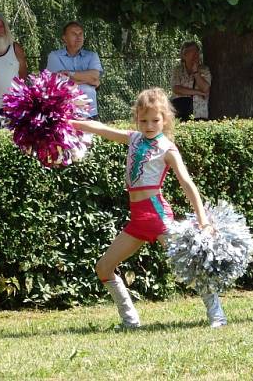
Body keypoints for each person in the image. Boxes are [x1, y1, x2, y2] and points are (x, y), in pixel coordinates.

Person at [69, 88, 227, 329]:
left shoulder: (167, 148)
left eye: (155, 120)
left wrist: (202, 219)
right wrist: (68, 122)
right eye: (143, 120)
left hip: (158, 216)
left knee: (188, 265)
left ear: (165, 119)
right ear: (136, 119)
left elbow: (187, 183)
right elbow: (101, 128)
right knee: (103, 267)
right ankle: (130, 320)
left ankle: (217, 314)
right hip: (138, 221)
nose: (149, 125)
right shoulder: (133, 138)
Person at [46, 21, 103, 120]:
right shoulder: (54, 56)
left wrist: (70, 73)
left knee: (90, 135)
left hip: (89, 112)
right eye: (74, 34)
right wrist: (89, 80)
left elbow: (94, 75)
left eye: (81, 34)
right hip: (64, 111)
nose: (78, 37)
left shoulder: (92, 56)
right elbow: (58, 83)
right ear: (64, 38)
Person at [171, 41, 211, 121]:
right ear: (184, 55)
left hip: (199, 113)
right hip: (181, 112)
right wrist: (198, 92)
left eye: (197, 52)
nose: (195, 56)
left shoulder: (204, 70)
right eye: (192, 53)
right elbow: (176, 89)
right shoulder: (178, 70)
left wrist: (196, 72)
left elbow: (205, 88)